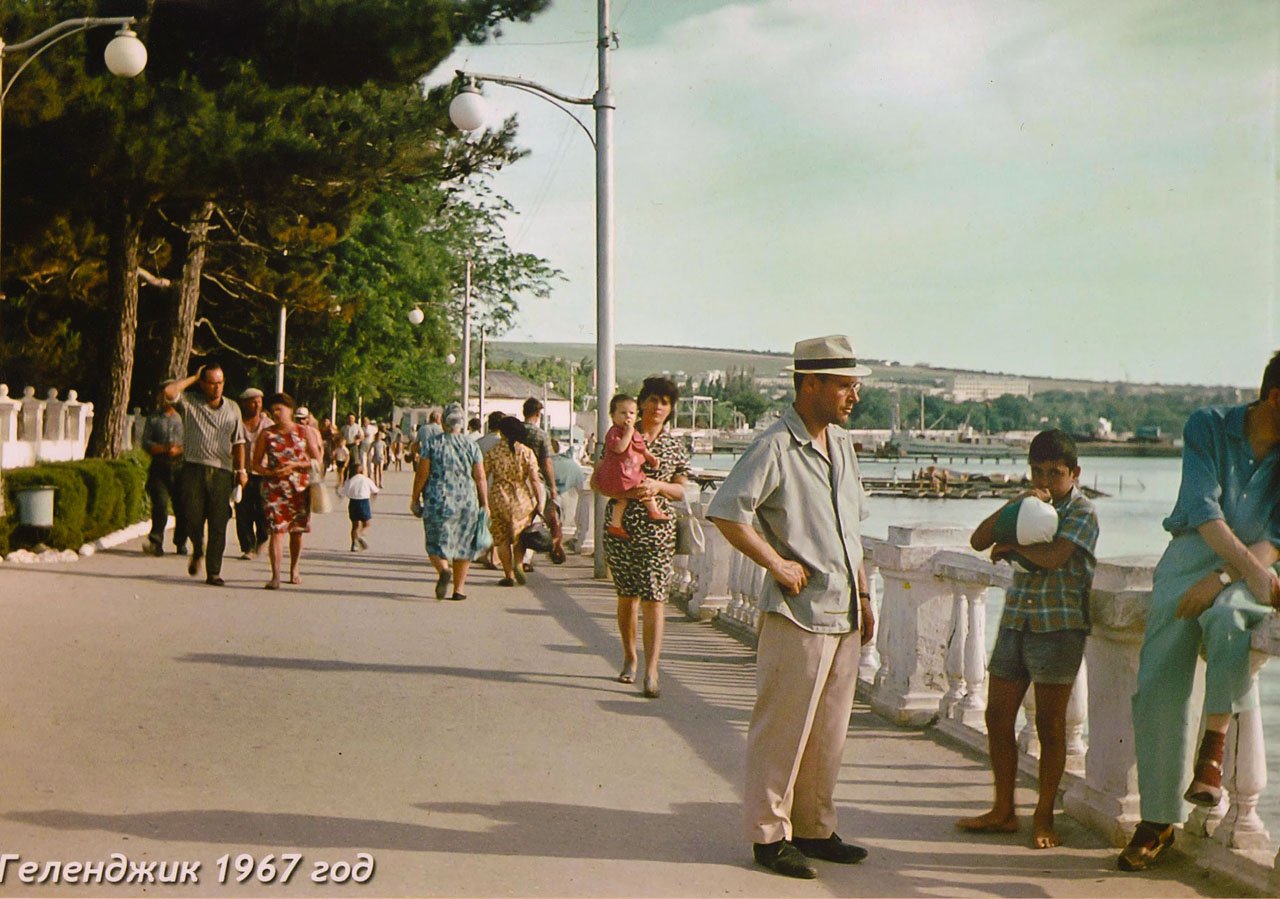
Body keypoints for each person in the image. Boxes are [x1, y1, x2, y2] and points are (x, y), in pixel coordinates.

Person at [706, 335, 873, 880]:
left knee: (829, 732)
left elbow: (851, 531)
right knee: (783, 730)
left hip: (843, 610)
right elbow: (729, 512)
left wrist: (865, 595)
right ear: (809, 384)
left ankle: (815, 828)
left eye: (855, 385)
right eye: (845, 385)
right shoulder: (775, 444)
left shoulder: (842, 446)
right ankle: (768, 835)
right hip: (799, 612)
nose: (854, 396)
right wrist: (776, 564)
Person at [1118, 352, 1280, 872]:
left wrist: (1228, 578)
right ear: (1276, 397)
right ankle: (1158, 818)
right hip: (1191, 556)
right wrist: (1216, 574)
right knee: (1161, 684)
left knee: (1230, 619)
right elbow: (1203, 510)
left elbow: (1276, 536)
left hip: (1248, 569)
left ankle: (1212, 754)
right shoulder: (1208, 426)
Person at [956, 430, 1099, 850]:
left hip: (1060, 625)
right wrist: (1016, 504)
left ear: (1074, 473)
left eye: (1055, 473)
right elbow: (979, 540)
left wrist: (1012, 549)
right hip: (1018, 619)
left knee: (1050, 726)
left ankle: (1043, 816)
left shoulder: (1083, 511)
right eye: (1038, 471)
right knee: (997, 716)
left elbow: (1055, 557)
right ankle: (1003, 810)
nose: (1046, 480)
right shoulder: (1029, 506)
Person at [597, 376, 690, 699]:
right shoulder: (619, 435)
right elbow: (598, 481)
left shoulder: (674, 445)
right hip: (620, 526)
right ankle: (629, 656)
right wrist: (622, 489)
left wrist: (657, 487)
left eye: (664, 402)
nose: (657, 407)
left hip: (657, 529)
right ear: (641, 403)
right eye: (652, 400)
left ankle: (651, 669)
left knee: (654, 598)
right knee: (627, 596)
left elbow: (680, 490)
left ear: (670, 409)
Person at [163, 362, 248, 587]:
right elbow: (170, 392)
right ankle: (197, 548)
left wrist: (241, 470)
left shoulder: (232, 408)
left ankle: (213, 572)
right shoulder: (190, 402)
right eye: (211, 383)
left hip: (222, 471)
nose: (216, 388)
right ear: (203, 384)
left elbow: (238, 442)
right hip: (193, 468)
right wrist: (193, 376)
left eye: (220, 383)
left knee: (219, 522)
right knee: (193, 517)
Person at [411, 403, 489, 600]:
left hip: (438, 501)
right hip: (466, 502)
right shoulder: (471, 445)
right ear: (461, 423)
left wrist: (415, 498)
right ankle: (459, 589)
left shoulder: (433, 443)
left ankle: (444, 569)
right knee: (464, 544)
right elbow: (480, 477)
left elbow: (422, 474)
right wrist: (484, 503)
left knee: (434, 542)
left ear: (444, 422)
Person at [251, 392, 320, 589]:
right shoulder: (267, 434)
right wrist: (269, 472)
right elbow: (255, 463)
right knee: (276, 531)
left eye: (279, 410)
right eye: (273, 411)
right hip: (274, 489)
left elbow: (317, 460)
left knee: (296, 532)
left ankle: (294, 568)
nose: (276, 414)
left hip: (299, 488)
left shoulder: (304, 432)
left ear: (290, 410)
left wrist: (295, 465)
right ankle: (275, 575)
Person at [595, 393, 669, 539]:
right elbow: (620, 448)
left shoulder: (635, 433)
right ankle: (653, 510)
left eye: (632, 413)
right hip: (620, 474)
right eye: (623, 413)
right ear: (613, 416)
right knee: (643, 489)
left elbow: (641, 447)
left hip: (631, 470)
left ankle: (615, 525)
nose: (627, 417)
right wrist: (628, 433)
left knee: (622, 501)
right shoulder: (614, 433)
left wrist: (650, 457)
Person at [484, 416, 543, 588]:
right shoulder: (526, 452)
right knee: (520, 537)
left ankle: (508, 574)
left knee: (502, 539)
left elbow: (483, 475)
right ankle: (518, 564)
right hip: (521, 498)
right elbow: (534, 480)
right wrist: (539, 501)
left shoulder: (493, 452)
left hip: (498, 496)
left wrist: (482, 499)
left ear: (501, 433)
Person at [140, 390, 187, 556]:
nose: (167, 399)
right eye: (164, 396)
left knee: (182, 506)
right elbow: (146, 443)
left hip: (181, 467)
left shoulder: (184, 417)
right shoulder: (153, 419)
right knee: (160, 504)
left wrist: (179, 449)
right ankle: (156, 540)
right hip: (160, 466)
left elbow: (193, 442)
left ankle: (181, 541)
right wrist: (164, 449)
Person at [520, 397, 562, 568]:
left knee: (519, 520)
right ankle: (526, 560)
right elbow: (547, 462)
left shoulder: (517, 431)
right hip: (536, 481)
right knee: (534, 521)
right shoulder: (540, 435)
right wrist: (552, 486)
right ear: (538, 414)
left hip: (515, 481)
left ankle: (516, 556)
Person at [235, 387, 272, 560]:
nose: (256, 405)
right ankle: (247, 546)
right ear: (244, 403)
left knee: (263, 510)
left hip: (262, 473)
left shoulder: (269, 425)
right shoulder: (237, 423)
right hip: (241, 472)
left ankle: (263, 537)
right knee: (243, 511)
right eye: (252, 401)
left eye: (259, 401)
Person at [339, 462, 379, 551]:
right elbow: (375, 490)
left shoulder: (350, 480)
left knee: (354, 525)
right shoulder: (366, 479)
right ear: (362, 471)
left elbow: (343, 493)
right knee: (367, 524)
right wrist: (373, 498)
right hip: (364, 502)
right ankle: (361, 535)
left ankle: (354, 544)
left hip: (353, 503)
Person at [341, 413, 363, 480]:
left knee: (354, 462)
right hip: (346, 446)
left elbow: (362, 436)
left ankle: (352, 478)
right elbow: (341, 436)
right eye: (349, 418)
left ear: (354, 419)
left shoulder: (357, 427)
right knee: (345, 462)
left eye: (352, 418)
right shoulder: (344, 427)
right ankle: (344, 479)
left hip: (353, 446)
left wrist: (358, 440)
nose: (350, 420)